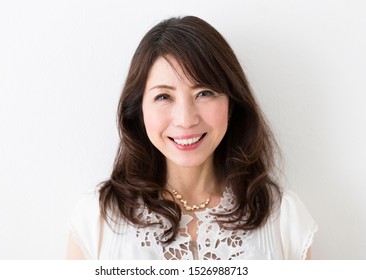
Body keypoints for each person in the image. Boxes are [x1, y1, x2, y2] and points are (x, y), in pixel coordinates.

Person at [67, 16, 317, 260]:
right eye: (163, 96)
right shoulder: (97, 219)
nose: (186, 120)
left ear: (231, 105)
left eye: (204, 93)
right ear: (139, 110)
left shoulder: (284, 218)